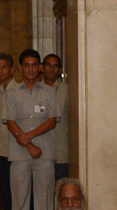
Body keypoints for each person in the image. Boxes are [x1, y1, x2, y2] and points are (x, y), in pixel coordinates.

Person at [3, 49, 60, 210]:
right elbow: (10, 122)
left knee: (44, 198)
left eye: (34, 65)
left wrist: (28, 137)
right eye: (26, 65)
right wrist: (28, 144)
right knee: (19, 198)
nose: (31, 69)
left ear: (40, 68)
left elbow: (52, 121)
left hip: (44, 153)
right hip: (19, 154)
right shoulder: (11, 93)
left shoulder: (50, 92)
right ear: (20, 68)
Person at [0, 52, 19, 210]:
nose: (1, 71)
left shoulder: (17, 91)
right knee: (4, 192)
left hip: (14, 151)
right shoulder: (1, 90)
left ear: (11, 70)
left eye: (4, 67)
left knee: (15, 193)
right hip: (1, 150)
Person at [42, 53, 68, 181]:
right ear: (42, 68)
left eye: (55, 66)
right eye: (48, 65)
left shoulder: (68, 91)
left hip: (60, 153)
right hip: (39, 153)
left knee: (59, 192)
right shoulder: (35, 90)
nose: (52, 69)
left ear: (60, 70)